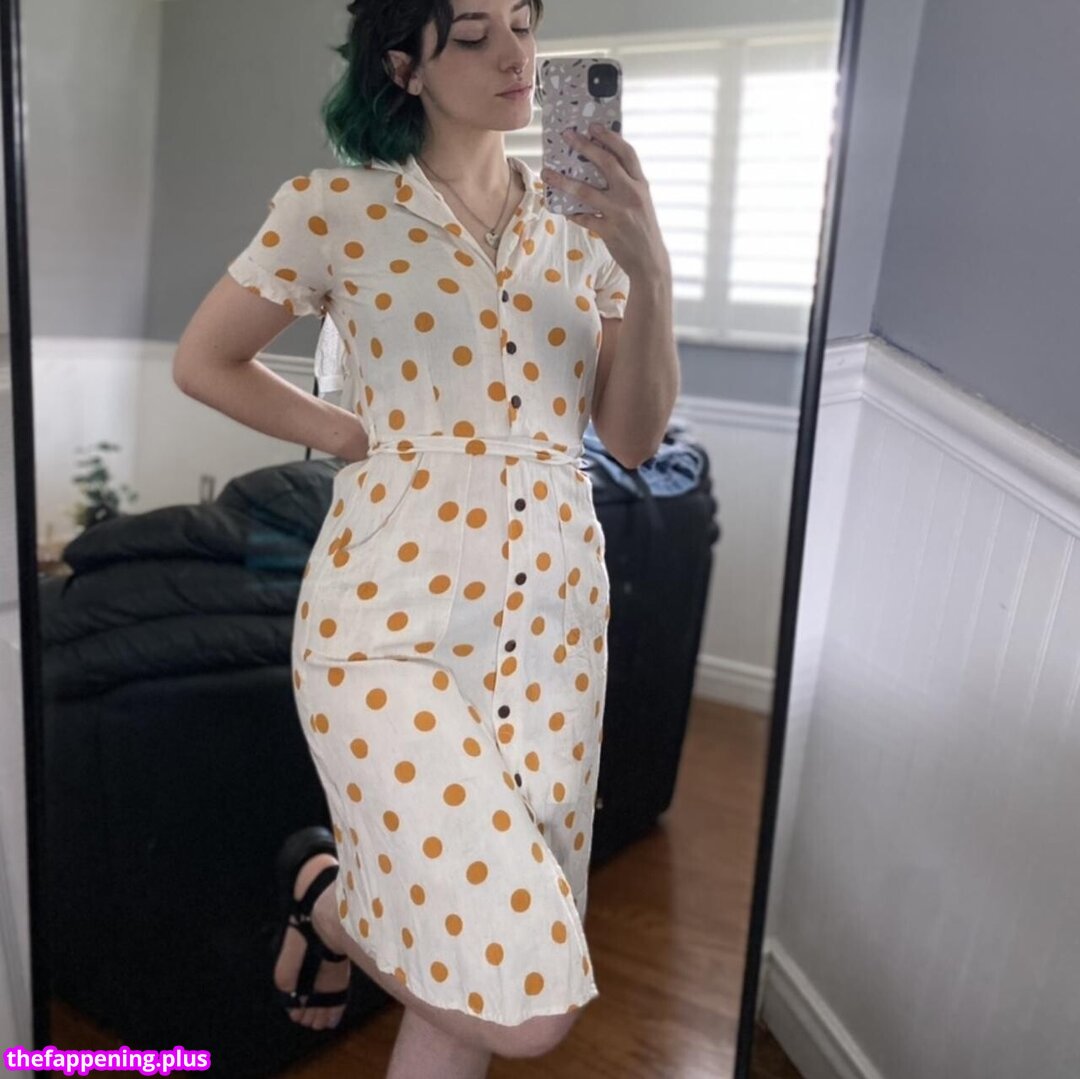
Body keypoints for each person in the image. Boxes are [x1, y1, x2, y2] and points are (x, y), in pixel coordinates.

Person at [172, 1, 674, 1074]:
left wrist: (651, 266)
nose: (517, 55)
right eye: (475, 34)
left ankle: (325, 904)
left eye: (525, 25)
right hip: (382, 624)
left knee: (468, 974)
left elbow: (632, 437)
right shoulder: (331, 209)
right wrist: (352, 433)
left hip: (551, 634)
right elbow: (204, 359)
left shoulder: (586, 228)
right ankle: (328, 898)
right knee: (523, 1004)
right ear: (405, 65)